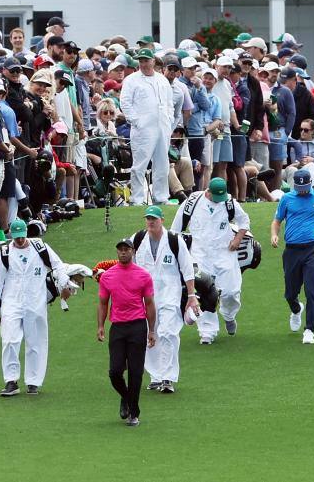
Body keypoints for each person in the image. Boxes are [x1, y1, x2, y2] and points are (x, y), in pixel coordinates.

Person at [0, 219, 70, 397]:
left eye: (22, 237)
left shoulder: (40, 247)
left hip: (35, 301)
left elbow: (57, 265)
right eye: (16, 238)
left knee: (36, 341)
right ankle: (11, 380)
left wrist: (65, 285)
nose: (19, 241)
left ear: (26, 233)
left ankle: (33, 381)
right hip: (12, 301)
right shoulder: (4, 252)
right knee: (10, 339)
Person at [169, 177, 250, 344]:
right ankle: (207, 332)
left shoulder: (229, 202)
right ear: (208, 192)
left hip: (225, 253)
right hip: (200, 254)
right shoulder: (192, 203)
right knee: (206, 292)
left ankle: (229, 315)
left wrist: (237, 240)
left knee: (231, 292)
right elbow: (176, 230)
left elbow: (244, 221)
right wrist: (179, 255)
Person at [131, 206, 197, 394]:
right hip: (145, 296)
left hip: (170, 294)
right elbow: (127, 263)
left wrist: (191, 296)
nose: (151, 222)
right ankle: (155, 376)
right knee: (149, 334)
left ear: (162, 220)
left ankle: (167, 377)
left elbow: (187, 268)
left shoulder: (174, 240)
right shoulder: (137, 239)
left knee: (168, 332)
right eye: (148, 219)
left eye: (154, 219)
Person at [97, 238, 157, 426]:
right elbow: (103, 303)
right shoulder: (108, 276)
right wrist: (100, 326)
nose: (123, 252)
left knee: (135, 372)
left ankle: (134, 412)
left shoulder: (143, 275)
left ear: (133, 252)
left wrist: (152, 330)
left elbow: (149, 304)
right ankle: (127, 398)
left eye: (126, 249)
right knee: (115, 371)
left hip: (137, 326)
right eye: (120, 250)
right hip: (118, 327)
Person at [270, 169, 314, 344]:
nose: (303, 190)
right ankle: (296, 309)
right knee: (290, 293)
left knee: (312, 291)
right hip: (291, 251)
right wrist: (274, 235)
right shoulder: (287, 198)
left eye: (305, 186)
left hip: (312, 251)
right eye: (299, 187)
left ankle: (309, 330)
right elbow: (277, 220)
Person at [120, 48, 174, 205]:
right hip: (143, 129)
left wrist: (169, 120)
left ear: (153, 61)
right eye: (141, 61)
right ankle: (137, 199)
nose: (143, 64)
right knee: (140, 164)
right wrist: (136, 121)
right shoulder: (131, 80)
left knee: (162, 163)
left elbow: (169, 102)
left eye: (146, 60)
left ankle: (161, 197)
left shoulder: (162, 80)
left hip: (162, 127)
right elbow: (125, 102)